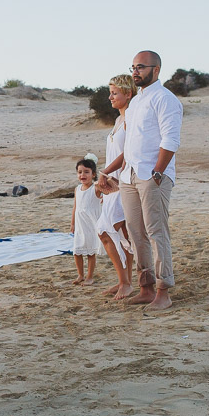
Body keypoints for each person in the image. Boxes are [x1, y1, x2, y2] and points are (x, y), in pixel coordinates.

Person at [99, 50, 183, 312]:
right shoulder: (135, 103)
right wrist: (112, 173)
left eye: (141, 67)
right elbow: (131, 145)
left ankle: (163, 291)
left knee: (157, 232)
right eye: (133, 67)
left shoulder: (166, 100)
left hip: (153, 176)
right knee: (136, 235)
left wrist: (158, 172)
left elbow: (170, 140)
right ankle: (145, 288)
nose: (136, 71)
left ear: (156, 70)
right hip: (129, 176)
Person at [96, 76, 136, 299]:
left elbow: (127, 152)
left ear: (128, 94)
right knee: (117, 232)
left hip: (123, 182)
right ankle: (125, 281)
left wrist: (104, 172)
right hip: (112, 183)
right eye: (110, 92)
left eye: (114, 93)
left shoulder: (131, 118)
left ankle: (125, 282)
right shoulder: (118, 121)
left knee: (109, 231)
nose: (110, 97)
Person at [70, 155, 101, 286]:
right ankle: (80, 275)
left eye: (86, 172)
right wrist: (72, 223)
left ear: (93, 174)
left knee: (90, 252)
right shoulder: (77, 189)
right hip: (80, 224)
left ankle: (89, 276)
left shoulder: (96, 188)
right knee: (77, 251)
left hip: (91, 225)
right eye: (80, 172)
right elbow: (75, 207)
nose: (83, 175)